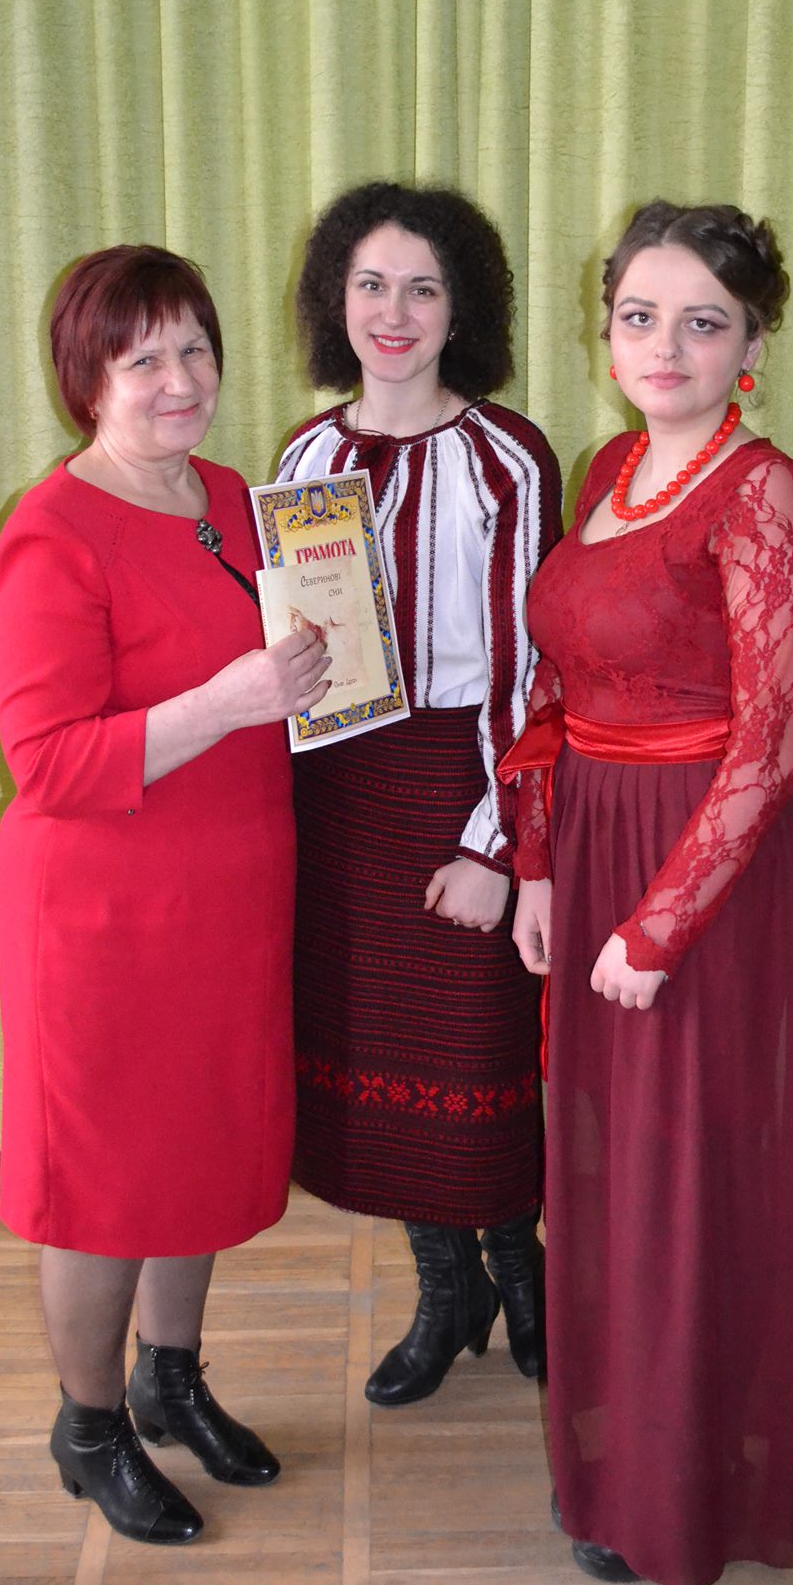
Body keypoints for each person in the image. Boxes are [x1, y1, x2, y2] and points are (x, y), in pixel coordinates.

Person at [505, 201, 793, 1585]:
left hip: (705, 875)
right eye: (640, 315)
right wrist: (535, 860)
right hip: (592, 848)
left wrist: (658, 922)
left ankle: (684, 1492)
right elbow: (559, 685)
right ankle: (617, 1461)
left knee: (688, 1184)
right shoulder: (611, 466)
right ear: (607, 330)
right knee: (610, 1178)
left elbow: (767, 742)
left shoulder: (763, 493)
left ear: (751, 346)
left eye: (704, 322)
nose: (666, 346)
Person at [0, 245, 329, 1543]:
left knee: (200, 1143)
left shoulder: (235, 497)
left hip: (229, 893)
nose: (180, 378)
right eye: (144, 359)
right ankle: (88, 1428)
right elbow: (49, 763)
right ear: (87, 379)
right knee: (104, 1182)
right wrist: (230, 700)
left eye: (195, 348)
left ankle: (169, 1377)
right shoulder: (50, 533)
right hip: (103, 915)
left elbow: (292, 666)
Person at [278, 182, 562, 1405]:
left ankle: (523, 1273)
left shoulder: (508, 458)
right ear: (335, 299)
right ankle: (446, 1291)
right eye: (371, 284)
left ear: (463, 310)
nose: (393, 312)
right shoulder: (305, 456)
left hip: (465, 783)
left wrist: (497, 845)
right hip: (343, 797)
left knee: (478, 1058)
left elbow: (533, 669)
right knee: (383, 1063)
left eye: (423, 288)